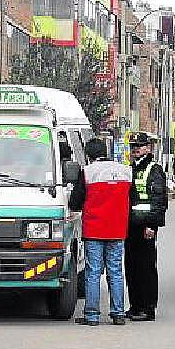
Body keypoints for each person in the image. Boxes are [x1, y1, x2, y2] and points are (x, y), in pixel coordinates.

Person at [68, 138, 132, 326]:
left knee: (93, 272)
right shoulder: (125, 171)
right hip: (117, 230)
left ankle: (92, 316)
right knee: (116, 272)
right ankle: (118, 313)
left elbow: (75, 202)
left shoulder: (87, 172)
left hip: (94, 230)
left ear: (88, 155)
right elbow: (132, 198)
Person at [125, 131, 169, 321]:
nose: (135, 150)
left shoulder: (154, 169)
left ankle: (148, 308)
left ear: (148, 148)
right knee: (131, 267)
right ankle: (135, 306)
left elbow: (159, 200)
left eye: (139, 146)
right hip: (130, 227)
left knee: (146, 268)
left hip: (145, 227)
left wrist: (152, 225)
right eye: (133, 147)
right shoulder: (130, 169)